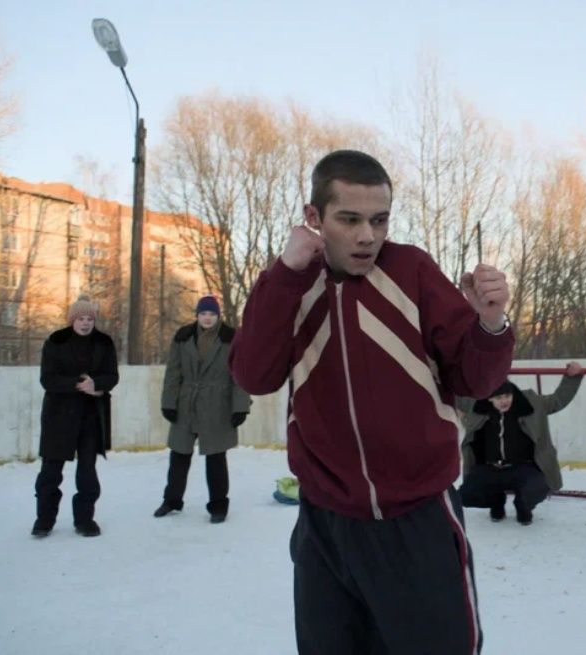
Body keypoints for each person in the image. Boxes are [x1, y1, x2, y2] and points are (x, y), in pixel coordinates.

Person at [229, 150, 513, 654]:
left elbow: (475, 379)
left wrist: (490, 324)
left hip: (418, 521)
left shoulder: (413, 270)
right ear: (314, 218)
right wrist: (287, 273)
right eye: (350, 219)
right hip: (326, 526)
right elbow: (254, 374)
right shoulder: (290, 285)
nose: (367, 236)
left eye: (379, 220)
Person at [155, 295, 251, 524]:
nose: (207, 318)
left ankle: (218, 506)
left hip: (217, 404)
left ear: (218, 316)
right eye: (203, 314)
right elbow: (173, 372)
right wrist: (168, 402)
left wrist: (240, 407)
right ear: (197, 315)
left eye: (211, 314)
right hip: (186, 402)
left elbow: (240, 374)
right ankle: (172, 501)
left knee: (216, 458)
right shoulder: (183, 336)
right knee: (179, 455)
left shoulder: (231, 337)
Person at [32, 296, 119, 538]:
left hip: (91, 416)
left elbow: (112, 375)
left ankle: (85, 519)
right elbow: (47, 379)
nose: (85, 323)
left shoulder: (104, 342)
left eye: (90, 318)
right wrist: (78, 385)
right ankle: (44, 520)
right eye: (81, 318)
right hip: (58, 416)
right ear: (72, 319)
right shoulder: (56, 342)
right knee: (51, 471)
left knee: (87, 472)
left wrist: (97, 384)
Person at [458, 362, 584, 526]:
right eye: (498, 398)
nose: (504, 401)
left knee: (539, 485)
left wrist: (571, 378)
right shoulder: (475, 406)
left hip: (524, 467)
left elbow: (557, 400)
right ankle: (496, 500)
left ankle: (523, 506)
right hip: (490, 468)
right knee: (465, 495)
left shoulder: (530, 403)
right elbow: (453, 395)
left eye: (507, 396)